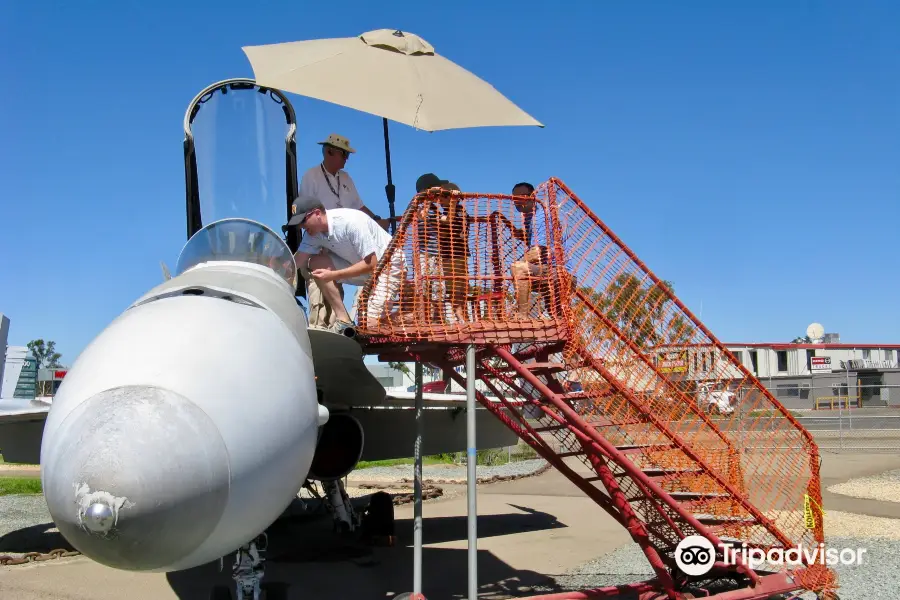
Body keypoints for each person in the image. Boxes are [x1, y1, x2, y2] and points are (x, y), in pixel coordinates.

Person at [298, 133, 390, 327]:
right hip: (324, 242)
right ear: (330, 152)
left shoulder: (346, 178)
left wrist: (376, 220)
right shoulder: (311, 177)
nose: (347, 159)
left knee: (336, 283)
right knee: (319, 277)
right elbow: (303, 213)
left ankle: (340, 327)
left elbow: (359, 207)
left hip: (350, 245)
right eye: (344, 154)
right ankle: (324, 327)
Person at [287, 195, 406, 333]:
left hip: (389, 266)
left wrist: (333, 275)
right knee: (315, 262)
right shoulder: (313, 234)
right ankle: (344, 320)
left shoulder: (351, 222)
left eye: (303, 221)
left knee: (371, 325)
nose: (302, 227)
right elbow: (296, 261)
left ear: (317, 213)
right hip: (365, 268)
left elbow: (372, 263)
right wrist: (277, 272)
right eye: (299, 224)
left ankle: (409, 315)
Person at [509, 182, 574, 317]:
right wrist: (521, 234)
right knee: (555, 314)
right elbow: (536, 240)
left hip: (557, 270)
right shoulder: (530, 217)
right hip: (547, 269)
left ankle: (522, 316)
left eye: (521, 196)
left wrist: (518, 266)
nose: (517, 201)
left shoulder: (540, 217)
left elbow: (537, 252)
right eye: (514, 198)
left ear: (531, 197)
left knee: (519, 268)